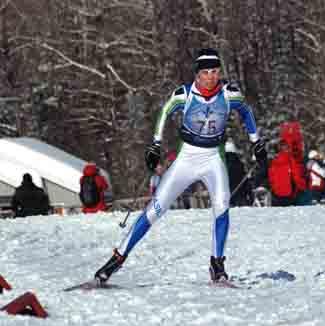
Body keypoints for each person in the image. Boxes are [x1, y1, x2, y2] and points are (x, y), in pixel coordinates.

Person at [94, 48, 266, 284]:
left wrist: (256, 142)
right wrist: (155, 146)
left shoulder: (229, 94)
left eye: (215, 71)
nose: (211, 77)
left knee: (222, 205)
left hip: (213, 158)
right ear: (197, 74)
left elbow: (246, 112)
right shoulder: (184, 94)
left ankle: (217, 265)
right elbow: (164, 112)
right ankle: (116, 259)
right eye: (206, 73)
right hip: (187, 158)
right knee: (156, 209)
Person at [268, 140, 307, 206]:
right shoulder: (290, 159)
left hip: (277, 193)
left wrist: (273, 188)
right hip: (289, 194)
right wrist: (302, 186)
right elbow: (296, 176)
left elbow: (271, 177)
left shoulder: (273, 161)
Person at [225, 140, 251, 207]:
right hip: (240, 195)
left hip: (228, 196)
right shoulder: (240, 164)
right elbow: (245, 179)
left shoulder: (223, 164)